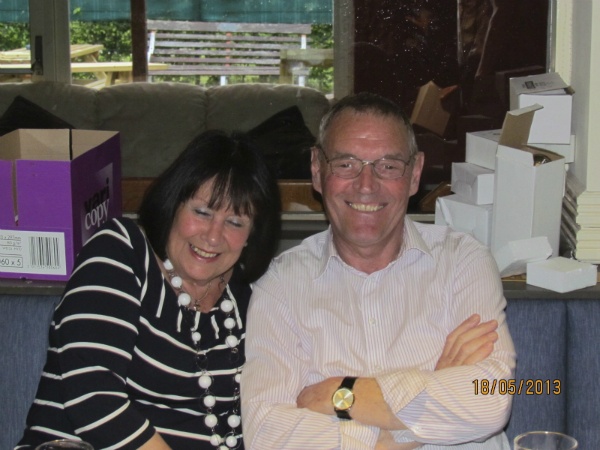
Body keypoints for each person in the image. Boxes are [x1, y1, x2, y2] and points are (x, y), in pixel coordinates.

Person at [241, 92, 516, 449]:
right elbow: (267, 434)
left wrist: (340, 395)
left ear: (415, 174)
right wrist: (401, 430)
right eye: (346, 164)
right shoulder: (281, 285)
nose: (366, 185)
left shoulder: (462, 261)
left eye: (388, 165)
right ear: (317, 171)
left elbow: (492, 397)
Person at [16, 130, 281, 450]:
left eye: (235, 222)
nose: (213, 236)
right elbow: (95, 396)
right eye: (202, 212)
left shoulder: (248, 299)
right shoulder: (122, 252)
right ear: (174, 204)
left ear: (253, 234)